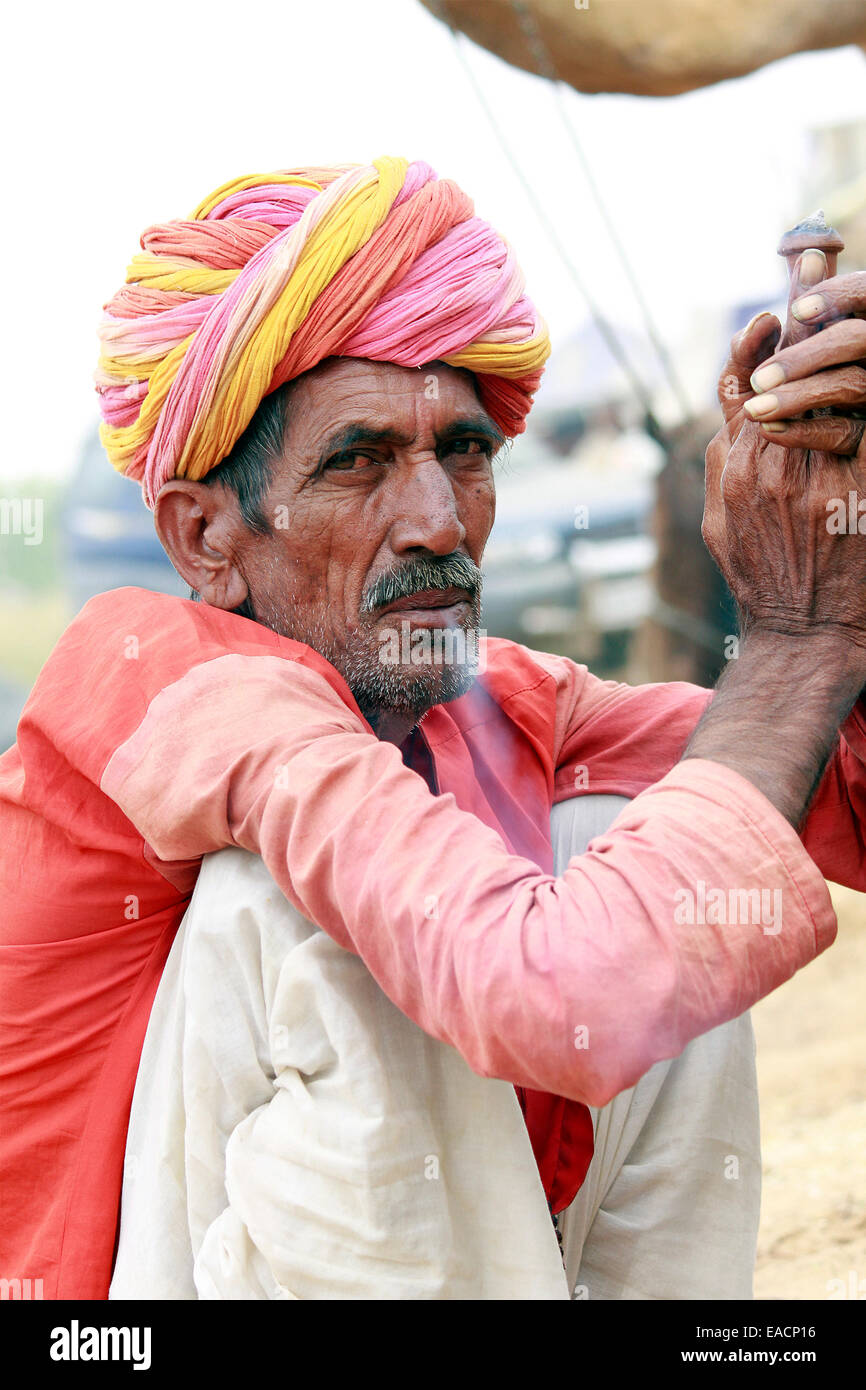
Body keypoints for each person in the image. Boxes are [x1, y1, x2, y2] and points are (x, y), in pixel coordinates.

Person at [1, 158, 865, 1300]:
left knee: (662, 819)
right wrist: (796, 643)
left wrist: (831, 510)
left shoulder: (496, 698)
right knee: (307, 907)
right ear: (204, 535)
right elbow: (561, 996)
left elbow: (810, 781)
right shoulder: (172, 682)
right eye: (357, 462)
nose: (435, 520)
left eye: (462, 451)